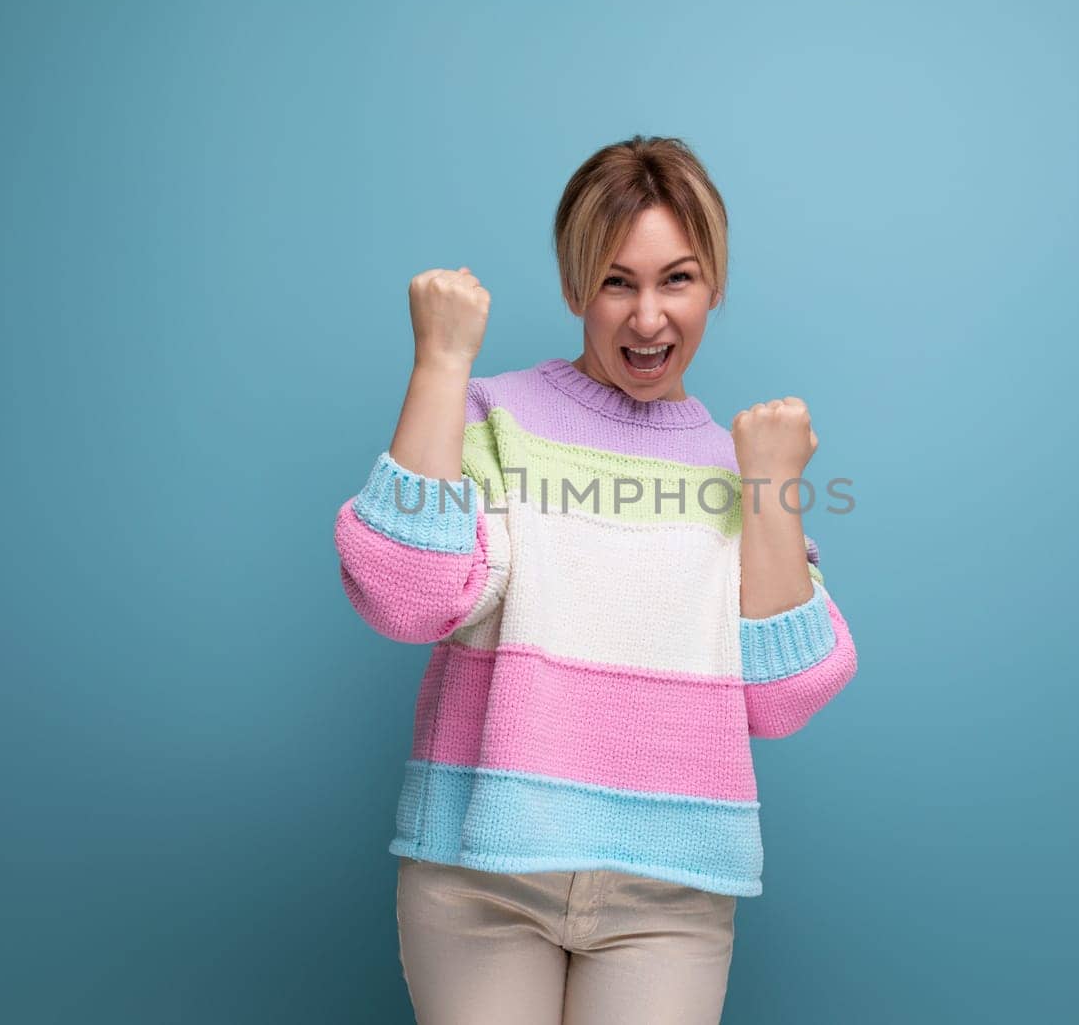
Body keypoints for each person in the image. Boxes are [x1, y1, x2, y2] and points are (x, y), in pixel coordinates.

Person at [332, 135, 858, 1024]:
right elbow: (405, 596)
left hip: (669, 893)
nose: (648, 317)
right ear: (577, 287)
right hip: (482, 878)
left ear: (715, 284)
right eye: (619, 281)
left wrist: (772, 493)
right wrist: (440, 365)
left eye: (677, 279)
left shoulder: (739, 471)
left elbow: (782, 696)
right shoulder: (495, 418)